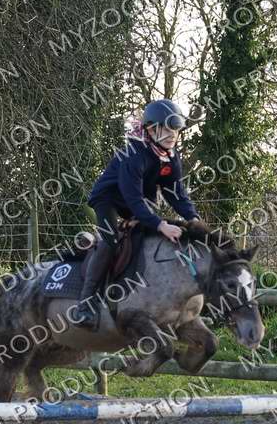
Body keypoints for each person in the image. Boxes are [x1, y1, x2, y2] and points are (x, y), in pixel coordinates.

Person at [71, 99, 203, 331]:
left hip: (138, 202)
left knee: (146, 237)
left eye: (176, 129)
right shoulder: (134, 154)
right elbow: (133, 199)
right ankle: (85, 304)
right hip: (109, 199)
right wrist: (160, 224)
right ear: (151, 129)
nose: (173, 135)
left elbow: (176, 194)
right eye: (167, 129)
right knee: (111, 240)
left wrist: (194, 219)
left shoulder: (170, 157)